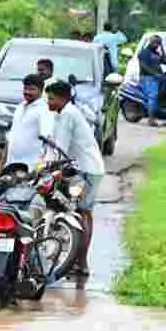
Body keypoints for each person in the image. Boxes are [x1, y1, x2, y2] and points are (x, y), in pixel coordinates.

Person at [47, 80, 105, 280]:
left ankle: (81, 262)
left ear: (62, 98)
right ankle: (78, 261)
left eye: (51, 98)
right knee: (81, 213)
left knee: (83, 214)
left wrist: (52, 170)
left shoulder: (67, 115)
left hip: (86, 170)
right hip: (84, 168)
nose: (48, 101)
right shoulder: (65, 113)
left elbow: (60, 148)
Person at [0, 74, 52, 173]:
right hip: (11, 166)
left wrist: (40, 168)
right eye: (25, 88)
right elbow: (11, 138)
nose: (27, 92)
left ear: (41, 91)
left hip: (30, 169)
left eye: (32, 89)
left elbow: (47, 140)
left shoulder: (44, 109)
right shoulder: (20, 106)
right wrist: (1, 164)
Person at [137, 34, 166, 127]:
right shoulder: (144, 52)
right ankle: (151, 120)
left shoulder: (157, 53)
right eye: (155, 42)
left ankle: (156, 115)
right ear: (150, 42)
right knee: (152, 97)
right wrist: (154, 74)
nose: (156, 44)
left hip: (156, 79)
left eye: (158, 43)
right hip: (148, 78)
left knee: (155, 98)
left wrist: (162, 48)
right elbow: (143, 65)